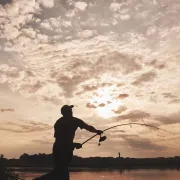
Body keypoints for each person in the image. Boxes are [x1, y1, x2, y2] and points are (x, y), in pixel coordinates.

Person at [53, 105, 103, 180]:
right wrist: (73, 144)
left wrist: (96, 131)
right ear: (67, 112)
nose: (71, 111)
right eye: (70, 110)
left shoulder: (72, 121)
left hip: (65, 149)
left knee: (60, 171)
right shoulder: (60, 123)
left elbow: (88, 127)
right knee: (61, 172)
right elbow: (60, 140)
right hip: (60, 150)